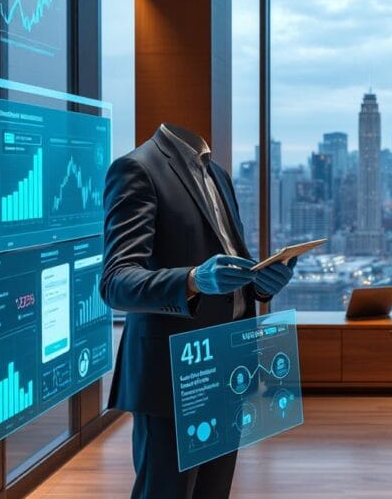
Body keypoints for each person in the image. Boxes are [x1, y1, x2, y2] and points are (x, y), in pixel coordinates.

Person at [101, 123, 297, 499]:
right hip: (173, 372)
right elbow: (116, 281)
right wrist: (192, 279)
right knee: (166, 490)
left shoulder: (217, 173)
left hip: (226, 360)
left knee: (214, 488)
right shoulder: (137, 169)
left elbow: (228, 261)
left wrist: (259, 282)